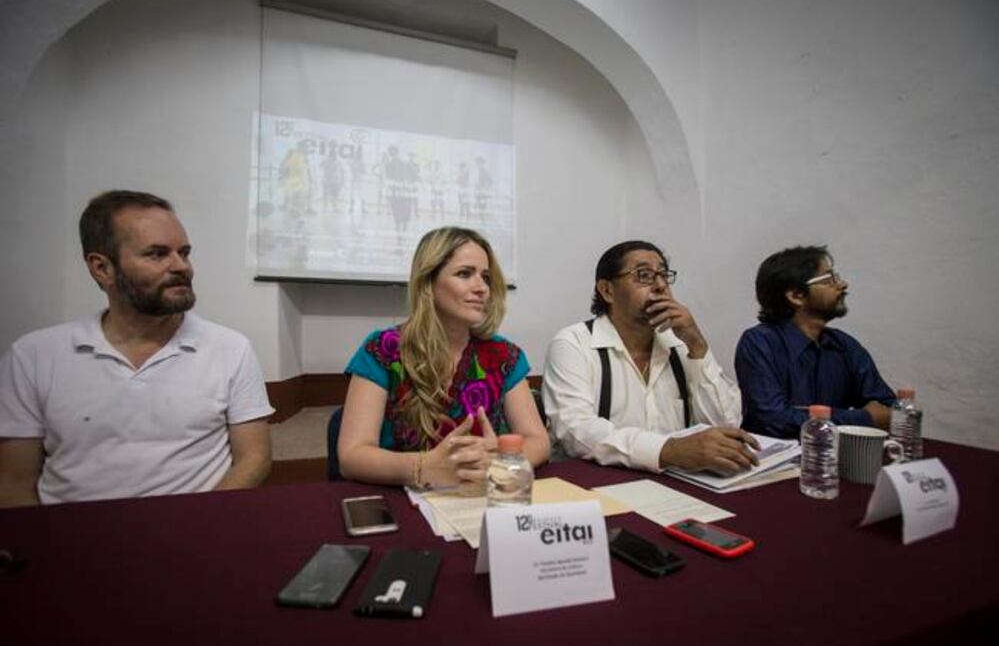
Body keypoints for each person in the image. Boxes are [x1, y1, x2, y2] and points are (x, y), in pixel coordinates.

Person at [0, 191, 274, 507]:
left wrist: (198, 524)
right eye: (157, 254)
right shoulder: (33, 356)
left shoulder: (230, 348)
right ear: (102, 268)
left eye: (184, 253)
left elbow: (254, 459)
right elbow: (13, 482)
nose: (181, 266)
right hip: (73, 539)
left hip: (196, 529)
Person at [338, 227, 549, 488]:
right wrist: (423, 467)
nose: (482, 287)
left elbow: (538, 441)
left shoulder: (504, 355)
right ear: (428, 283)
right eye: (464, 274)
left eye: (485, 277)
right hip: (405, 495)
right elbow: (352, 456)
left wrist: (501, 461)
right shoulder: (383, 350)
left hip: (480, 496)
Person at [543, 241, 755, 476]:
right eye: (644, 275)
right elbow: (576, 430)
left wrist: (698, 346)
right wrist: (667, 451)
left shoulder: (681, 343)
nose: (661, 285)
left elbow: (725, 428)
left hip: (679, 481)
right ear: (607, 290)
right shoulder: (574, 343)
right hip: (598, 481)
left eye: (664, 275)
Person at [735, 245, 894, 438]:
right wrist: (863, 418)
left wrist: (807, 417)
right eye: (829, 279)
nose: (842, 284)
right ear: (796, 295)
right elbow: (773, 421)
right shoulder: (760, 342)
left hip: (834, 458)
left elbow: (887, 409)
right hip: (776, 463)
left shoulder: (843, 344)